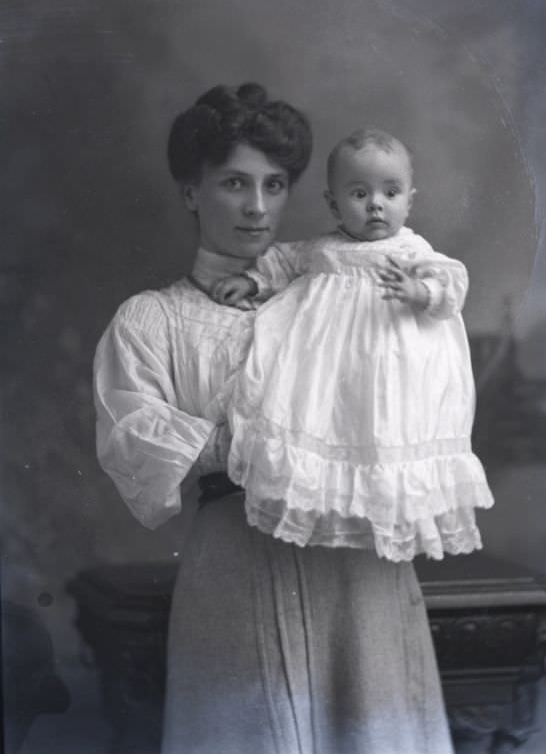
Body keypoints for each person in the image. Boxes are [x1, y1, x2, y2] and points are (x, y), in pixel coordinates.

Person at [93, 84, 455, 754]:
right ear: (191, 190)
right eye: (234, 182)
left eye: (275, 183)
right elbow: (132, 437)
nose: (258, 206)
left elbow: (426, 377)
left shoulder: (344, 292)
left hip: (358, 561)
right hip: (238, 563)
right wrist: (240, 440)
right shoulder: (153, 320)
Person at [215, 128, 494, 563]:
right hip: (331, 374)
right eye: (359, 193)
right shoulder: (325, 249)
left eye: (390, 192)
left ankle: (382, 509)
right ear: (334, 203)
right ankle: (330, 509)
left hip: (393, 370)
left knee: (382, 437)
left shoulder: (412, 249)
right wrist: (251, 279)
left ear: (409, 200)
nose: (376, 204)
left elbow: (451, 283)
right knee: (328, 427)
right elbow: (284, 261)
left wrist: (420, 293)